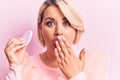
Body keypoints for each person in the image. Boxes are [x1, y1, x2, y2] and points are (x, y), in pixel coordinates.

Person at [4, 0, 108, 80]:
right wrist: (15, 67)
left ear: (76, 28)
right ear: (40, 28)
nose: (59, 31)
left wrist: (76, 76)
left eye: (66, 23)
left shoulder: (94, 64)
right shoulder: (22, 66)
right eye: (50, 23)